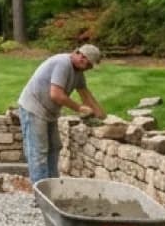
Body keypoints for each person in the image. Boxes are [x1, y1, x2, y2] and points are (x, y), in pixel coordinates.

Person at [18, 43, 105, 182]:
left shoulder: (78, 72)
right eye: (89, 65)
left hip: (49, 112)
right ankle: (40, 194)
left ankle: (52, 186)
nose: (89, 68)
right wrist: (79, 108)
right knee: (38, 152)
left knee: (54, 148)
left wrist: (102, 117)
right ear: (82, 57)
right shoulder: (63, 63)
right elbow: (56, 95)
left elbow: (85, 94)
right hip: (33, 108)